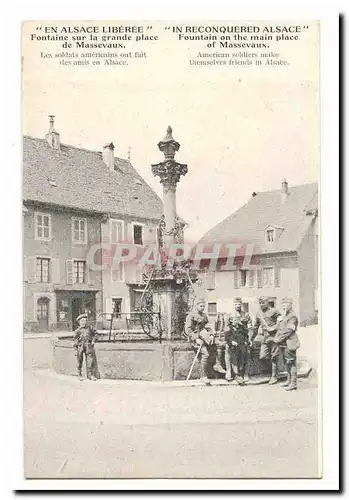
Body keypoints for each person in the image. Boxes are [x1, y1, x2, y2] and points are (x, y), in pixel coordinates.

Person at [184, 298, 217, 385]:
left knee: (215, 346)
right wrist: (196, 338)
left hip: (204, 336)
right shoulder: (191, 316)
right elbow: (187, 329)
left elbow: (208, 327)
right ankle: (203, 376)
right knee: (205, 354)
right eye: (201, 306)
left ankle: (217, 366)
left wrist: (211, 335)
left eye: (203, 306)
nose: (202, 308)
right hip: (195, 339)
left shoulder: (204, 316)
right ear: (196, 306)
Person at [251, 296, 281, 385]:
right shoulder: (258, 314)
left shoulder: (274, 311)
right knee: (262, 356)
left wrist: (274, 328)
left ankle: (274, 376)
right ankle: (273, 371)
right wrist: (251, 339)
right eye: (260, 303)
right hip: (265, 337)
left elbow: (281, 322)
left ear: (267, 303)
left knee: (274, 356)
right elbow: (255, 327)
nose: (261, 305)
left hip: (274, 336)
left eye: (263, 303)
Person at [273, 298, 300, 391]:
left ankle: (293, 383)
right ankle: (289, 381)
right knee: (286, 363)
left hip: (290, 342)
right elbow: (280, 328)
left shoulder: (293, 317)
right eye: (282, 304)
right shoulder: (285, 316)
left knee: (291, 362)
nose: (284, 306)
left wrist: (277, 339)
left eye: (286, 304)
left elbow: (289, 331)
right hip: (284, 343)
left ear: (290, 305)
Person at [224, 298, 252, 384]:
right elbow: (226, 329)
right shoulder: (230, 315)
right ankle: (229, 371)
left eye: (239, 304)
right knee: (227, 349)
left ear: (241, 304)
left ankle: (246, 373)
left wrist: (249, 339)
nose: (237, 306)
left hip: (243, 338)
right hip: (232, 338)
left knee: (247, 351)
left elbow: (250, 328)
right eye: (236, 304)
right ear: (234, 305)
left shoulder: (246, 315)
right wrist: (229, 340)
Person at [73, 313, 98, 381]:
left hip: (88, 345)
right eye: (81, 321)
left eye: (84, 321)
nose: (83, 322)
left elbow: (95, 333)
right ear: (79, 322)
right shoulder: (77, 330)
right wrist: (75, 349)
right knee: (79, 360)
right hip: (80, 346)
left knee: (90, 360)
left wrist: (93, 341)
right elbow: (75, 340)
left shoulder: (90, 328)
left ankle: (90, 375)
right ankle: (79, 375)